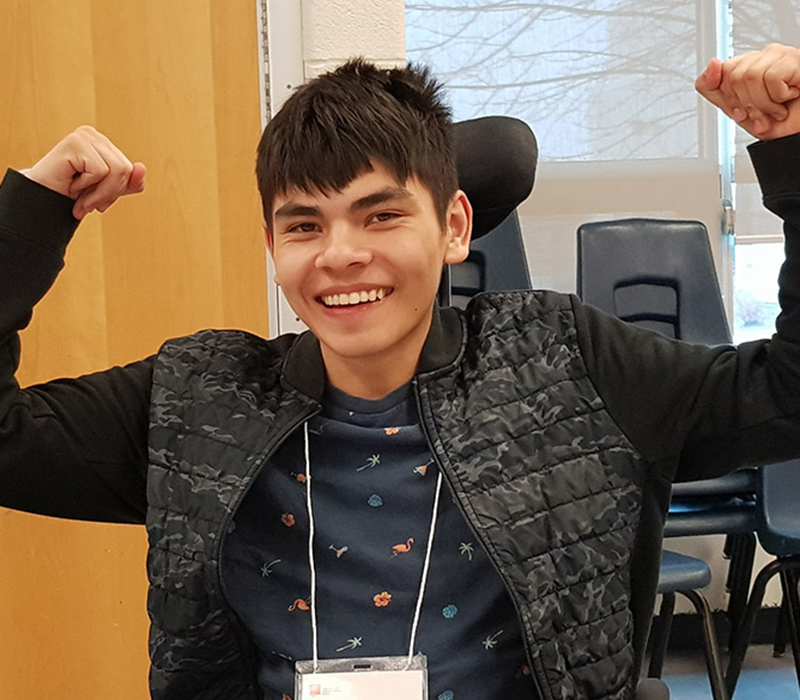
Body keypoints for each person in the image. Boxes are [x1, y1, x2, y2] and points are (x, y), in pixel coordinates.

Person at [2, 43, 800, 700]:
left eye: (381, 214)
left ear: (453, 226)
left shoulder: (568, 366)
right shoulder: (196, 399)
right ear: (274, 248)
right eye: (304, 224)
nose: (342, 253)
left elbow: (786, 393)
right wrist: (29, 220)